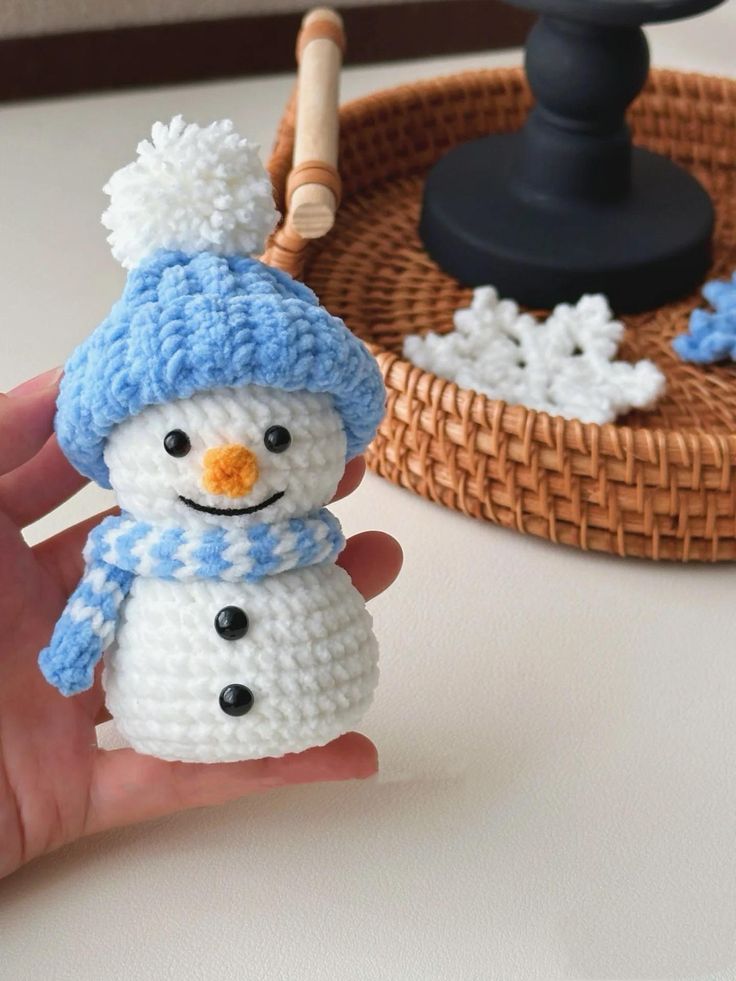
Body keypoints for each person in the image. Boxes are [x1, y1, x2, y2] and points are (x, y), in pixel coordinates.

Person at [0, 368, 402, 879]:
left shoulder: (310, 550)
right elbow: (91, 609)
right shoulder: (130, 555)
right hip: (162, 710)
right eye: (177, 444)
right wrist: (71, 653)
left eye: (275, 440)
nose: (229, 471)